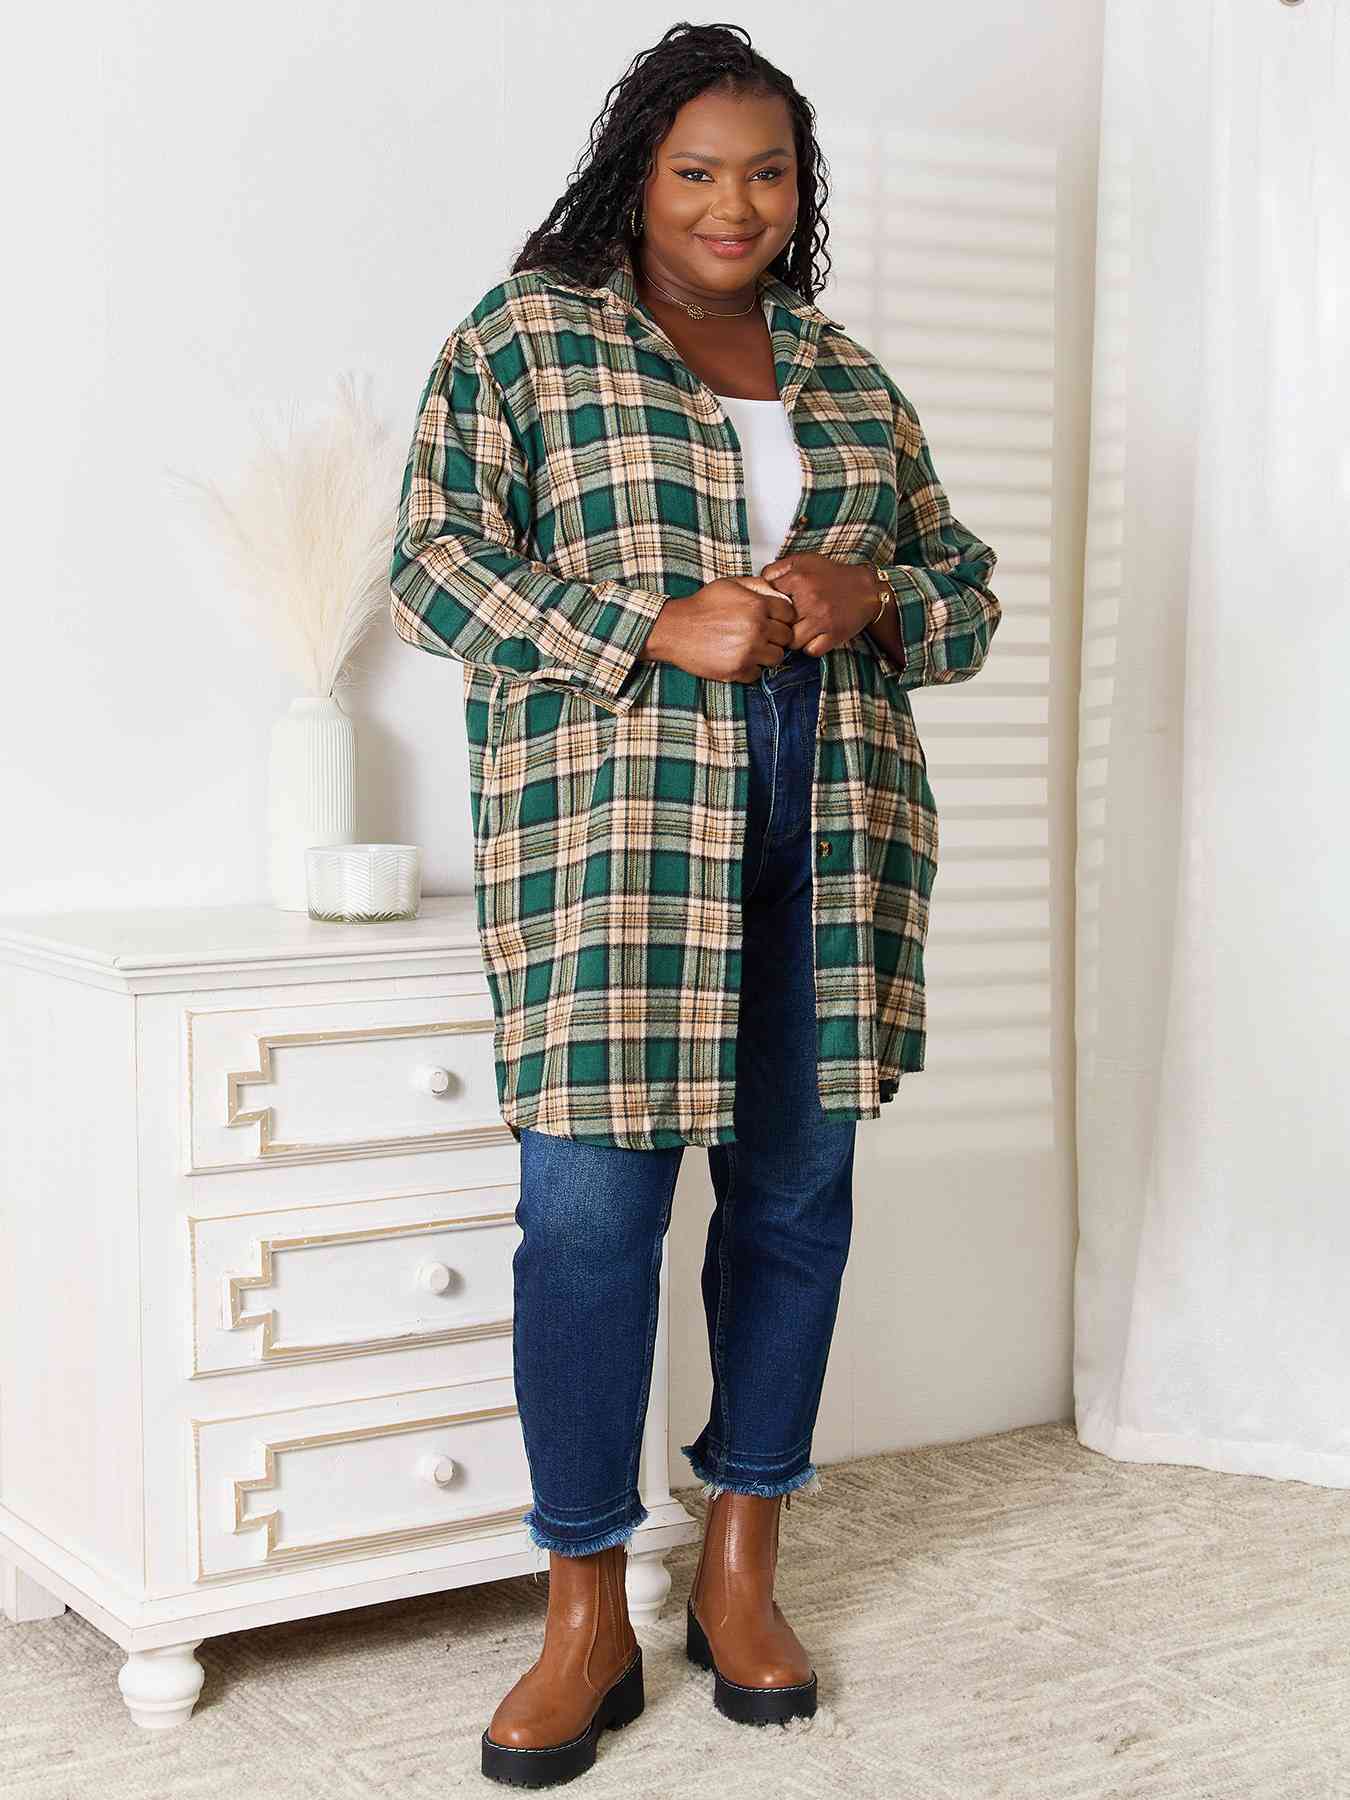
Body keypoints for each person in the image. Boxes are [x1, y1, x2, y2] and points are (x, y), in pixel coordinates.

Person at [389, 22, 1001, 1787]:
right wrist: (649, 625)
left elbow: (962, 593)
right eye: (696, 170)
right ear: (635, 177)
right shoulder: (528, 337)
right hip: (620, 837)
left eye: (767, 171)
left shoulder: (845, 374)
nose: (735, 205)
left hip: (835, 816)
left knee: (793, 1204)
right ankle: (584, 1609)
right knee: (586, 1225)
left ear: (802, 187)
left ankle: (740, 1571)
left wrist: (870, 596)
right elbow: (433, 564)